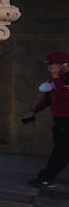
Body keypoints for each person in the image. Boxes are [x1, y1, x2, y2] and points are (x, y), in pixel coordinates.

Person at [22, 50, 69, 188]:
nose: (49, 68)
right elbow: (48, 98)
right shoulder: (56, 79)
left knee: (61, 152)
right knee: (61, 151)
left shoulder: (59, 78)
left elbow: (65, 94)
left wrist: (55, 77)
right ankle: (45, 177)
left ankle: (46, 178)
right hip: (60, 121)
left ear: (64, 64)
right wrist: (33, 111)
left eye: (51, 65)